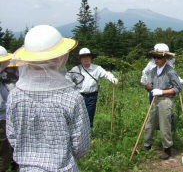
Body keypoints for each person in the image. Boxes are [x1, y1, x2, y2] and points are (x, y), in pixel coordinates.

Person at [6, 25, 90, 171]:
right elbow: (80, 147)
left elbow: (12, 137)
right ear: (59, 58)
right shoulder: (71, 97)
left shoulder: (14, 95)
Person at [142, 43, 182, 160]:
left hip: (166, 100)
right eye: (154, 57)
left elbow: (178, 88)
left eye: (159, 57)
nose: (156, 59)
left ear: (165, 58)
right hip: (155, 100)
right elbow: (149, 85)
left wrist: (162, 92)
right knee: (150, 123)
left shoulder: (170, 71)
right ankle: (147, 144)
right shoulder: (153, 70)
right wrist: (147, 85)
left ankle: (167, 149)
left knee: (164, 125)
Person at [66, 47, 118, 128]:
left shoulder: (97, 68)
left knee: (89, 115)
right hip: (79, 96)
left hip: (92, 96)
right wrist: (72, 85)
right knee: (78, 115)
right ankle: (78, 132)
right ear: (80, 59)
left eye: (87, 56)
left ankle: (89, 133)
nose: (86, 58)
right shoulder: (76, 69)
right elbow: (67, 77)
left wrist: (112, 78)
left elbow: (105, 73)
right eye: (83, 57)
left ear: (91, 57)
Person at [0, 46, 17, 172]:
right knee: (3, 150)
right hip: (2, 119)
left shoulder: (6, 76)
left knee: (12, 146)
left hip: (9, 117)